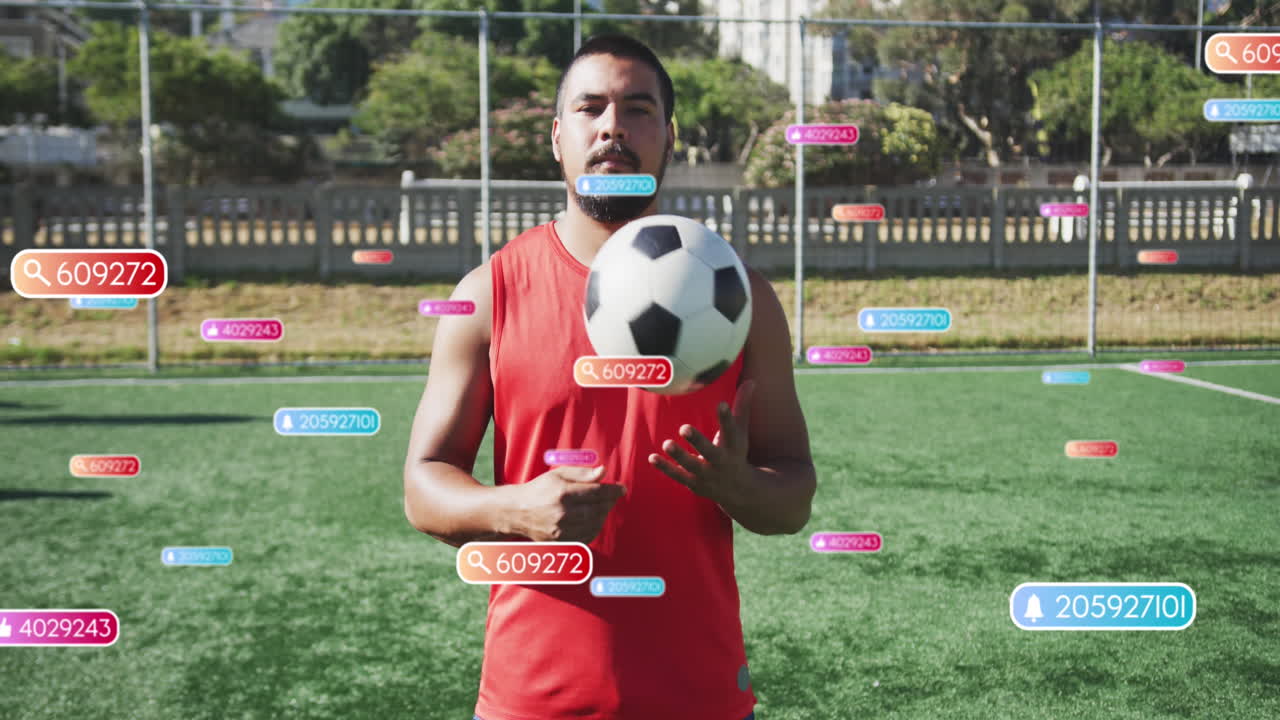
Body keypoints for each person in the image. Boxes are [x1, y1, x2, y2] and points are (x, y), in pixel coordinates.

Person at [402, 33, 816, 720]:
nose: (613, 127)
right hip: (532, 700)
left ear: (670, 137)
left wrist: (740, 487)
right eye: (590, 108)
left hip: (700, 698)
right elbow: (423, 488)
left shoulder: (744, 299)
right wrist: (515, 509)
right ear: (557, 136)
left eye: (638, 109)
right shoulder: (488, 294)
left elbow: (794, 497)